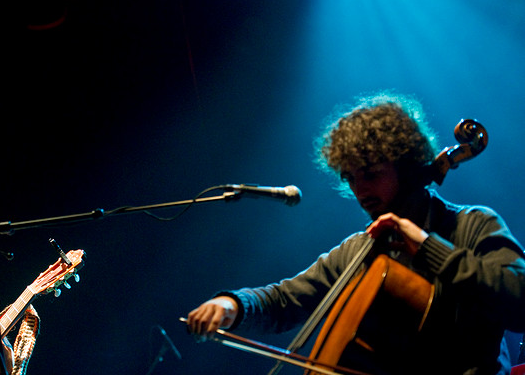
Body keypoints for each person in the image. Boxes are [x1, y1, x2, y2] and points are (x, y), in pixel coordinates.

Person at [186, 92, 525, 374]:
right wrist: (233, 304)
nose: (361, 190)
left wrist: (426, 247)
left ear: (406, 168)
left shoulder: (473, 224)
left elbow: (520, 302)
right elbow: (285, 299)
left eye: (371, 174)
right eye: (350, 178)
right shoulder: (360, 249)